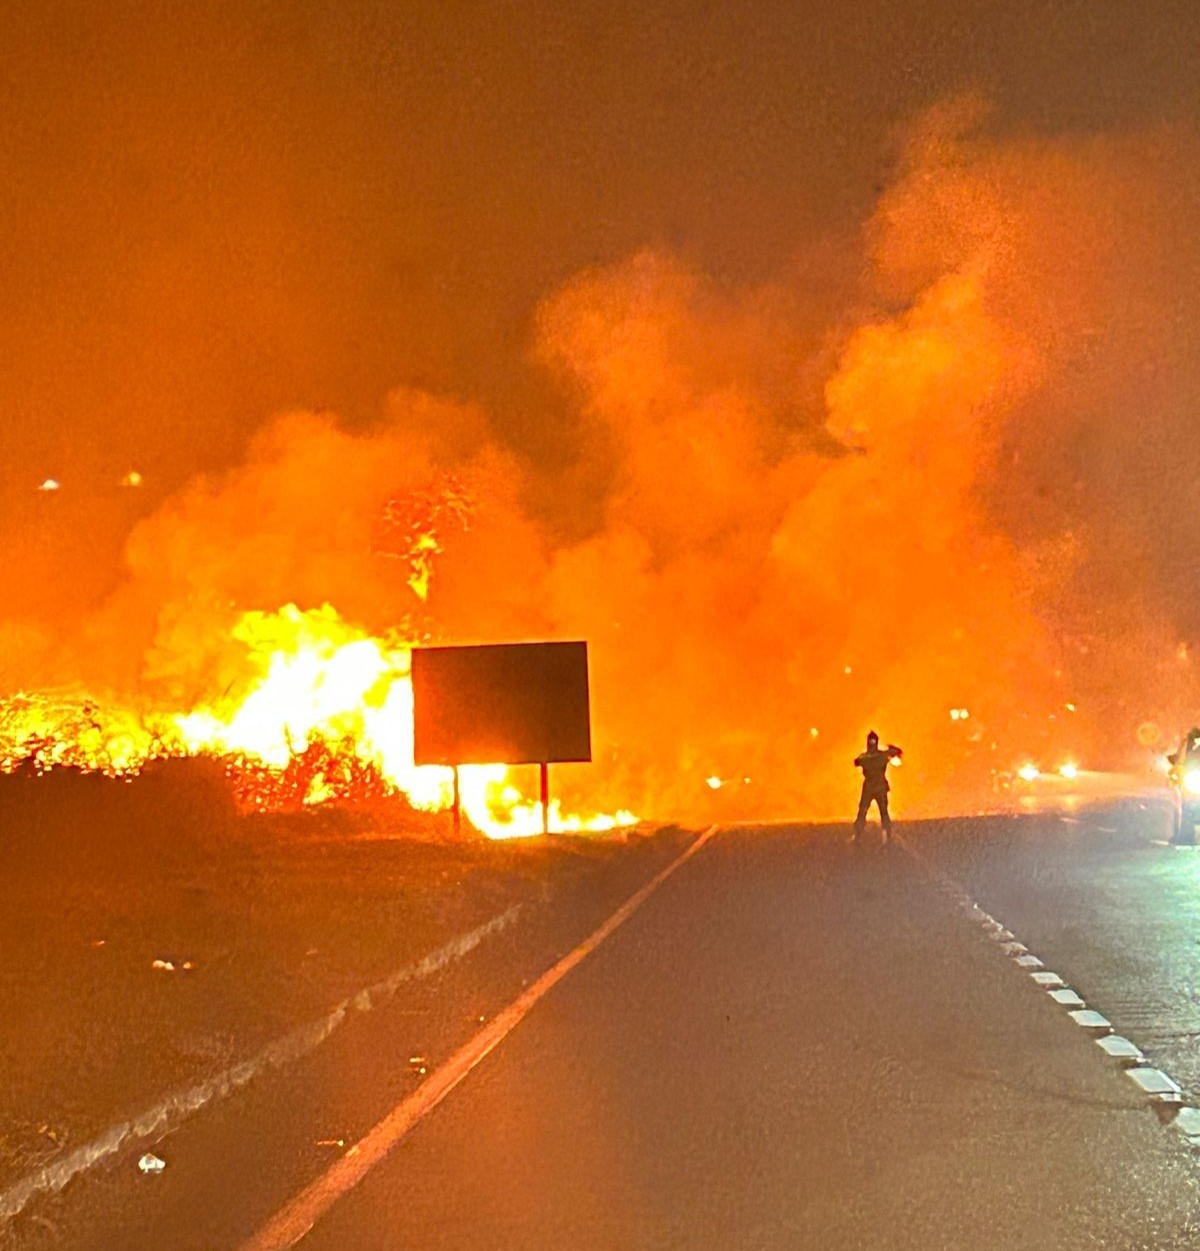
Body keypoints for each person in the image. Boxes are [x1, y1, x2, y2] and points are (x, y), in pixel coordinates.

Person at [852, 731, 903, 844]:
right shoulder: (879, 755)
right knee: (869, 812)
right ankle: (859, 836)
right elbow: (856, 762)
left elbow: (856, 762)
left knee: (873, 812)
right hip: (876, 787)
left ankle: (861, 836)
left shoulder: (873, 756)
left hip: (872, 787)